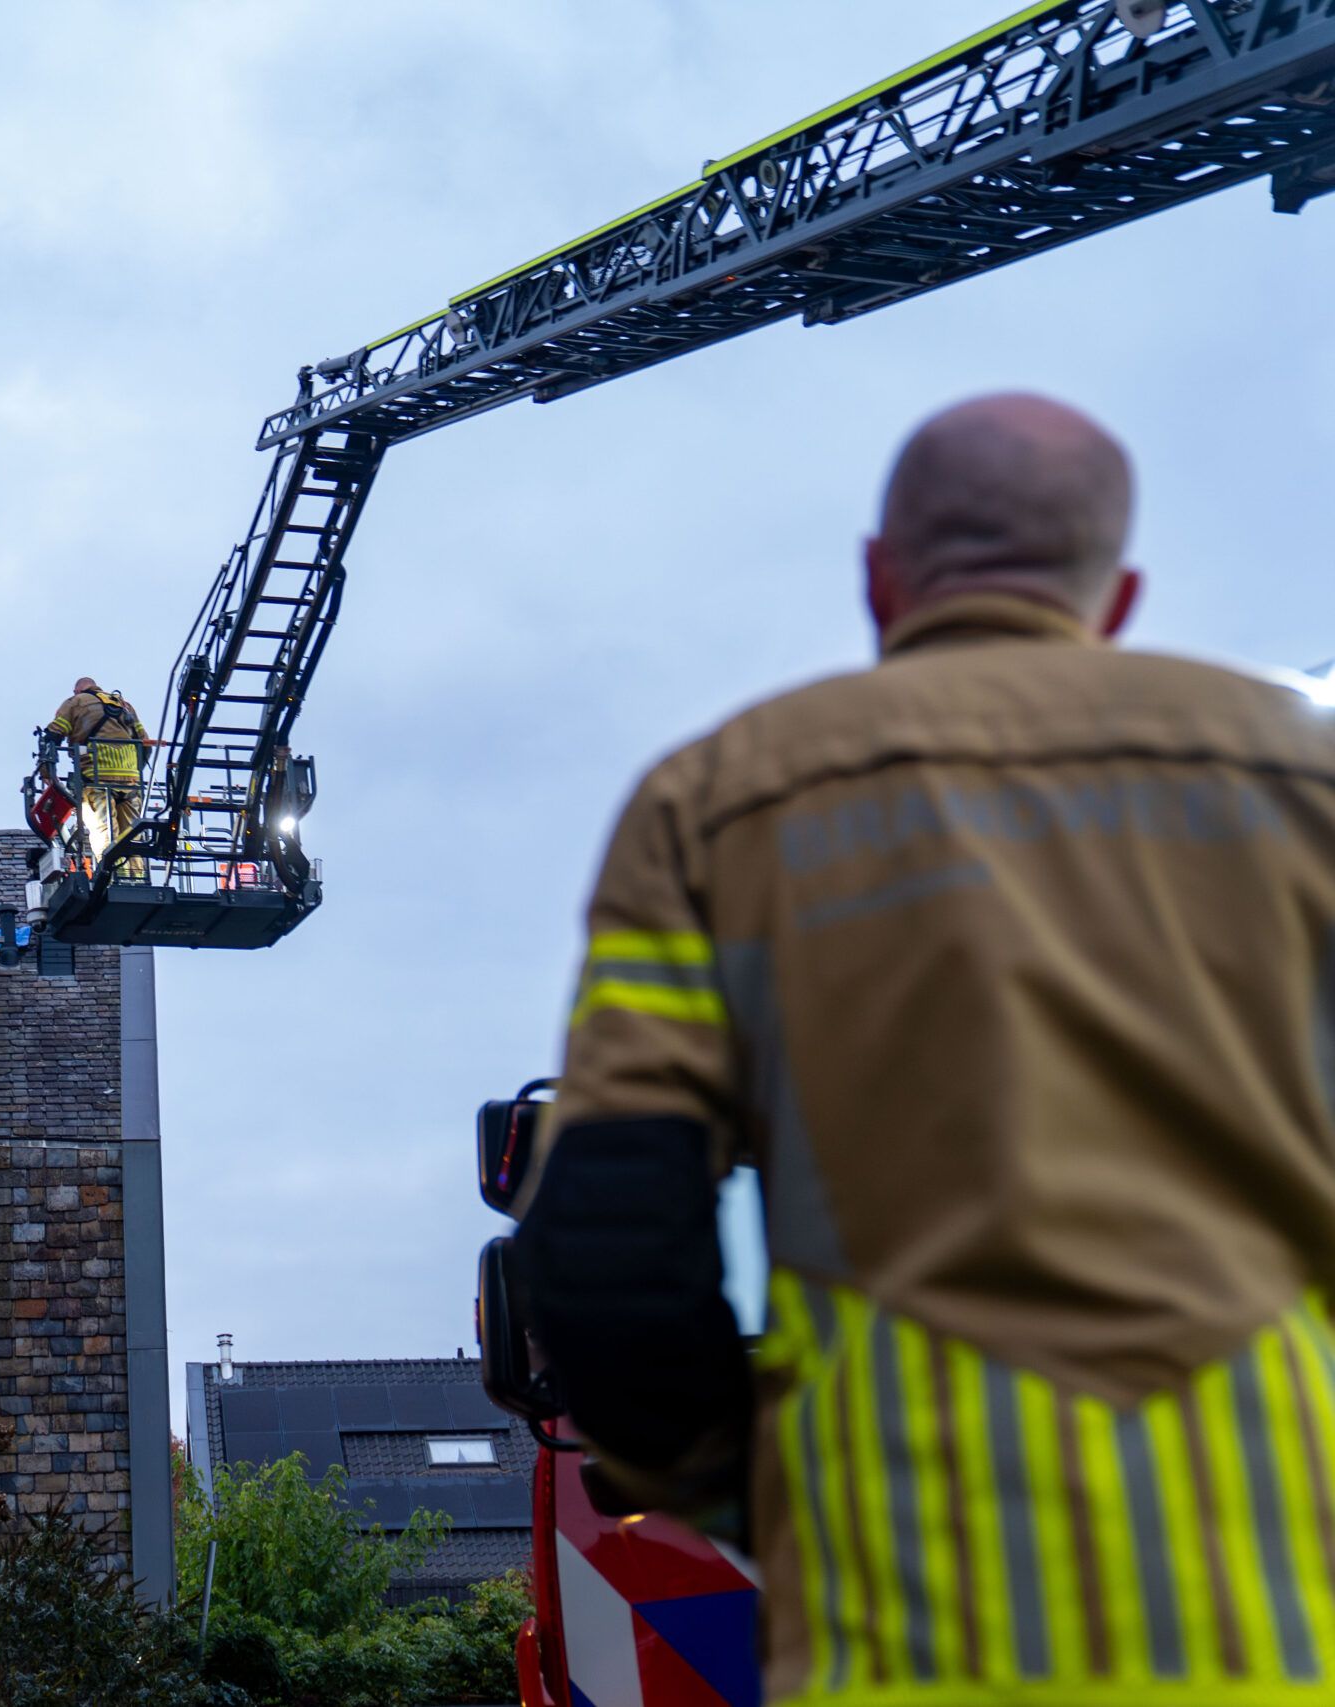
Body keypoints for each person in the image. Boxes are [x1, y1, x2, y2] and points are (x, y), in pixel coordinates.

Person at [511, 393, 1335, 1704]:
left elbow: (604, 1246)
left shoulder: (715, 808)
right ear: (1116, 596)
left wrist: (760, 1494)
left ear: (879, 577)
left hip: (896, 1631)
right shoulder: (1307, 782)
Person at [45, 676, 149, 881]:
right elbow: (145, 743)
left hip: (96, 778)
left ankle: (109, 880)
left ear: (77, 691)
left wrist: (47, 774)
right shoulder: (124, 705)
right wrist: (136, 770)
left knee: (104, 830)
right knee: (132, 835)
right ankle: (136, 881)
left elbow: (52, 736)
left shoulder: (75, 703)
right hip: (130, 781)